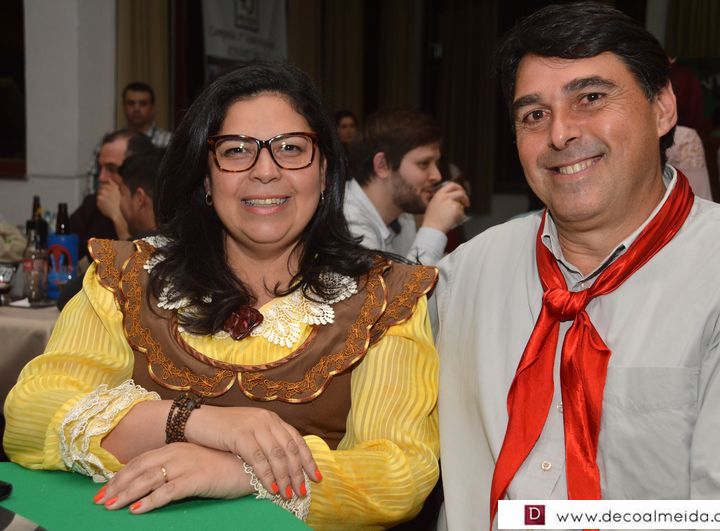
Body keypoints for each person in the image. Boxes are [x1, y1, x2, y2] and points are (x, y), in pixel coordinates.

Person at [4, 62, 439, 528]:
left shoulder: (385, 297)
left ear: (324, 171)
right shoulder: (126, 277)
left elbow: (399, 472)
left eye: (291, 148)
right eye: (236, 151)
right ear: (207, 178)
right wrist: (192, 423)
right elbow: (30, 415)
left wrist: (242, 472)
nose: (265, 171)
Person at [431, 3, 720, 530]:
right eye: (534, 115)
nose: (560, 133)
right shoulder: (466, 275)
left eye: (590, 98)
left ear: (663, 108)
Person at [345, 109, 469, 265]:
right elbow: (402, 282)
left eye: (436, 163)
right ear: (382, 165)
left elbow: (405, 272)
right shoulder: (347, 225)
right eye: (424, 164)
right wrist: (434, 227)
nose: (437, 176)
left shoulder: (403, 217)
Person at [57, 147, 162, 311]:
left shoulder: (148, 246)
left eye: (122, 193)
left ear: (139, 199)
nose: (119, 202)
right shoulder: (184, 239)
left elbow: (68, 299)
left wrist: (121, 227)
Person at [70, 130, 154, 258]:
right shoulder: (93, 204)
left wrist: (118, 218)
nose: (101, 177)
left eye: (111, 169)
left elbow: (141, 265)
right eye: (100, 168)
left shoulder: (149, 211)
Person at [86, 82, 172, 194]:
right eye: (131, 103)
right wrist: (98, 200)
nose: (136, 108)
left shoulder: (169, 141)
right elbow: (93, 175)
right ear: (123, 106)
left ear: (152, 107)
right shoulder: (109, 141)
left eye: (143, 103)